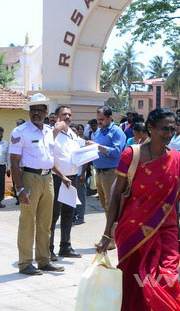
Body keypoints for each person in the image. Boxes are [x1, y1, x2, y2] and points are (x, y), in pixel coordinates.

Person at [94, 108, 180, 311]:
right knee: (135, 285)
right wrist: (107, 233)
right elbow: (116, 195)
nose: (169, 133)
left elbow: (172, 201)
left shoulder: (178, 160)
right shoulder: (132, 154)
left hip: (166, 231)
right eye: (164, 128)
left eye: (172, 129)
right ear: (150, 128)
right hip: (133, 230)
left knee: (166, 281)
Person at [8, 93, 66, 275]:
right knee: (27, 222)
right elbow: (14, 162)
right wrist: (20, 189)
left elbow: (49, 157)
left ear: (46, 112)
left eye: (40, 110)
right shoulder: (20, 132)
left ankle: (43, 260)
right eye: (33, 110)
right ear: (29, 112)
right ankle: (25, 263)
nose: (36, 113)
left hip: (48, 179)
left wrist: (61, 175)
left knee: (45, 223)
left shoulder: (48, 131)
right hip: (29, 179)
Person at [49, 106, 87, 260]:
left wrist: (91, 145)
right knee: (53, 214)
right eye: (64, 114)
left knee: (68, 213)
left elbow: (81, 146)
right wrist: (55, 130)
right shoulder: (51, 132)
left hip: (72, 178)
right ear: (57, 117)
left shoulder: (72, 133)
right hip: (57, 178)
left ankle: (65, 247)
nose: (67, 117)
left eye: (69, 114)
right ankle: (48, 249)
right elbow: (47, 155)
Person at [93, 106, 127, 214]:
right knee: (104, 205)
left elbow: (117, 152)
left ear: (110, 118)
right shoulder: (98, 131)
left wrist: (99, 147)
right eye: (98, 119)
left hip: (111, 173)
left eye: (102, 119)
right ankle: (110, 224)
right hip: (98, 173)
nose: (99, 122)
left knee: (112, 205)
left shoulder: (116, 131)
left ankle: (113, 225)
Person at [0, 126, 8, 208]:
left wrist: (9, 168)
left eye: (1, 133)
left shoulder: (5, 143)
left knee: (1, 184)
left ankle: (0, 201)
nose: (0, 135)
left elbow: (8, 156)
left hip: (2, 167)